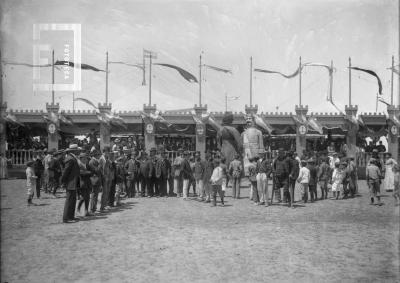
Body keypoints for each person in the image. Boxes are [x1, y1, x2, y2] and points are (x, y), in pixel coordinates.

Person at [61, 144, 81, 223]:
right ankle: (66, 218)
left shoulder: (72, 158)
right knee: (69, 200)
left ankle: (71, 216)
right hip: (70, 182)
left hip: (73, 182)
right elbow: (66, 172)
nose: (78, 151)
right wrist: (63, 181)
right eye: (77, 150)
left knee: (73, 200)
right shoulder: (70, 159)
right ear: (73, 150)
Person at [76, 152, 92, 217]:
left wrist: (87, 172)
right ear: (81, 158)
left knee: (87, 198)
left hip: (88, 182)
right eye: (84, 158)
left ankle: (86, 211)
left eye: (86, 158)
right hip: (82, 183)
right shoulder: (79, 165)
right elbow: (81, 173)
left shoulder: (87, 165)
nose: (86, 159)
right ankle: (78, 209)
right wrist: (88, 172)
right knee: (83, 197)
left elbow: (91, 172)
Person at [99, 146, 113, 211]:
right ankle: (102, 207)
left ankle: (105, 205)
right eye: (108, 151)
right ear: (105, 151)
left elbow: (110, 167)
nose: (109, 153)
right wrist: (104, 176)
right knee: (104, 192)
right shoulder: (101, 159)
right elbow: (101, 169)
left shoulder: (106, 158)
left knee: (107, 192)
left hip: (108, 177)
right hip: (104, 178)